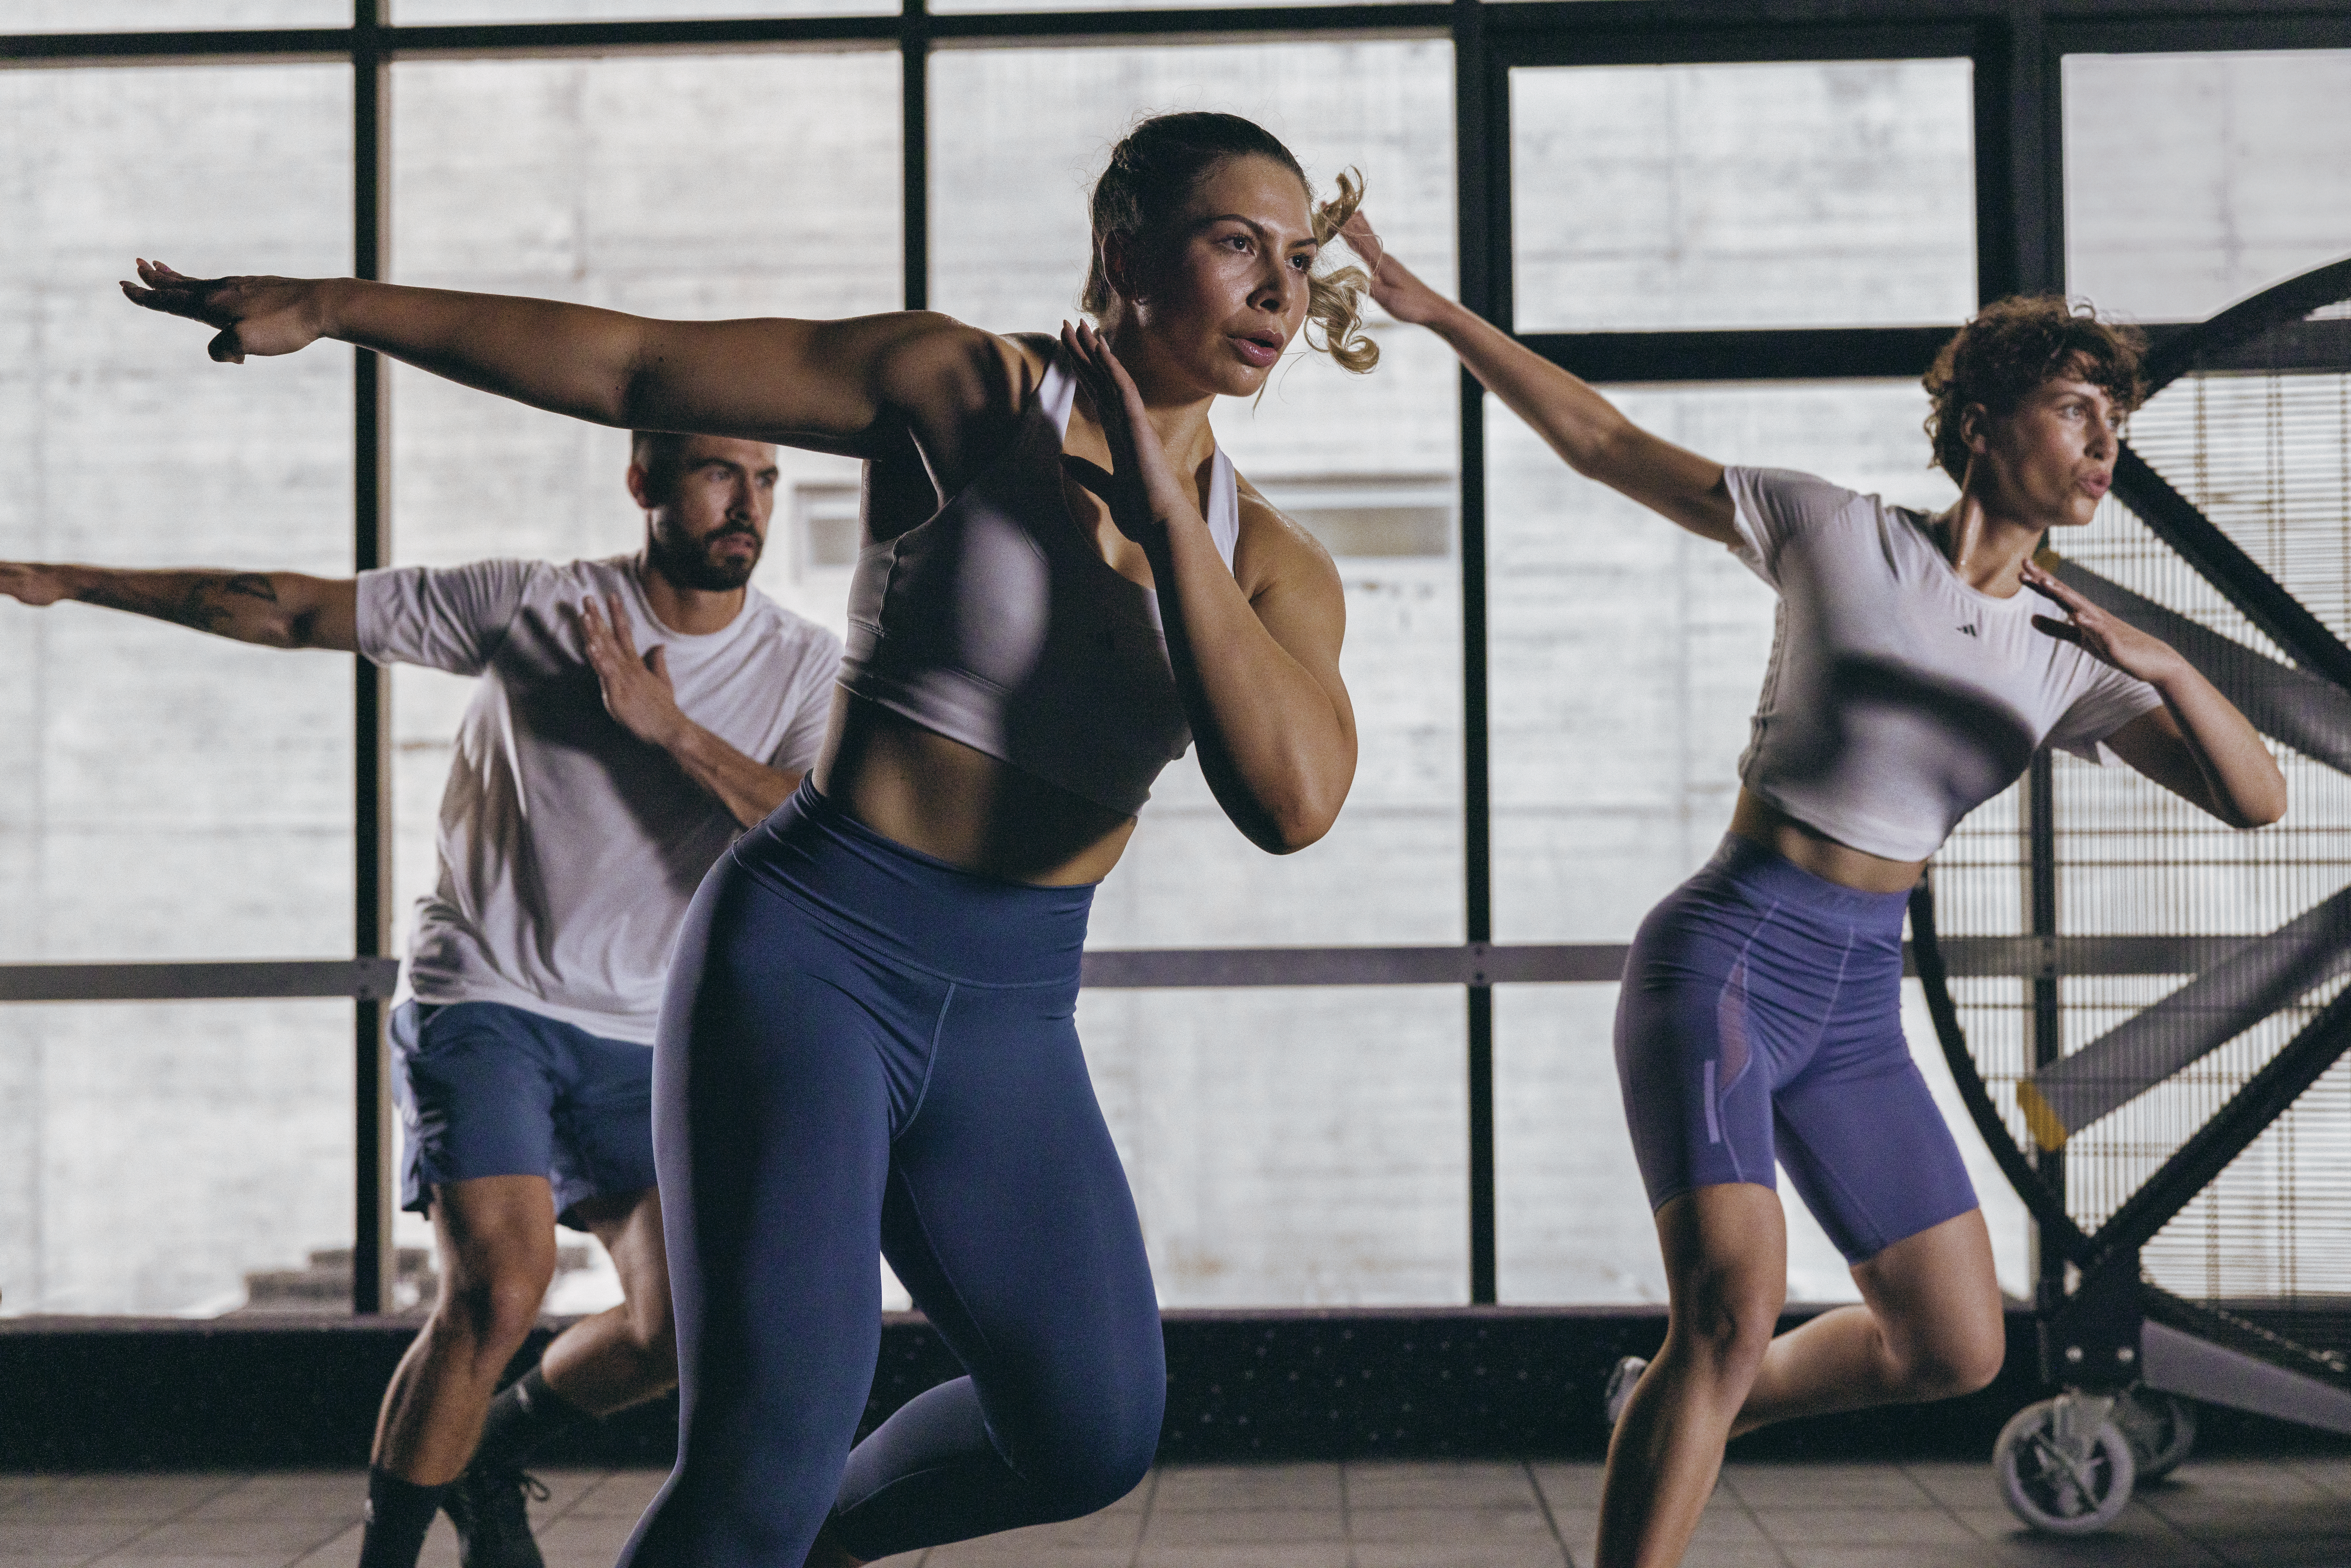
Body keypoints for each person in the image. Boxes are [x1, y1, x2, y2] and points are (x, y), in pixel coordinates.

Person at [120, 110, 1371, 1567]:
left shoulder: (1271, 562)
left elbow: (1290, 805)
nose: (1278, 289)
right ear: (1124, 249)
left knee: (1088, 1426)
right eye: (1233, 243)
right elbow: (635, 367)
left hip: (1014, 1011)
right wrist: (342, 306)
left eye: (1297, 258)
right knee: (764, 1454)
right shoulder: (965, 390)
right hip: (811, 956)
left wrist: (1167, 522)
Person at [1339, 213, 2286, 1567]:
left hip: (1853, 1004)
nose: (2103, 444)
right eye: (2075, 409)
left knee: (1952, 1346)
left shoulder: (2069, 649)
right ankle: (1685, 1400)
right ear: (1979, 423)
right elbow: (1603, 443)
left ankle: (1667, 1399)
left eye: (2115, 422)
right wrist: (1438, 314)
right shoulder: (1834, 532)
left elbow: (2255, 800)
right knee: (1730, 1307)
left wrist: (2172, 666)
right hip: (1725, 957)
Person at [0, 431, 843, 1568]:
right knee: (501, 1289)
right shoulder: (535, 605)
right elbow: (297, 611)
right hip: (483, 995)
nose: (748, 502)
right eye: (716, 472)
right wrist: (70, 581)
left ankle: (489, 1454)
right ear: (644, 482)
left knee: (680, 1328)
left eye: (766, 478)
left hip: (646, 1028)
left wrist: (670, 727)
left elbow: (809, 828)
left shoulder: (802, 665)